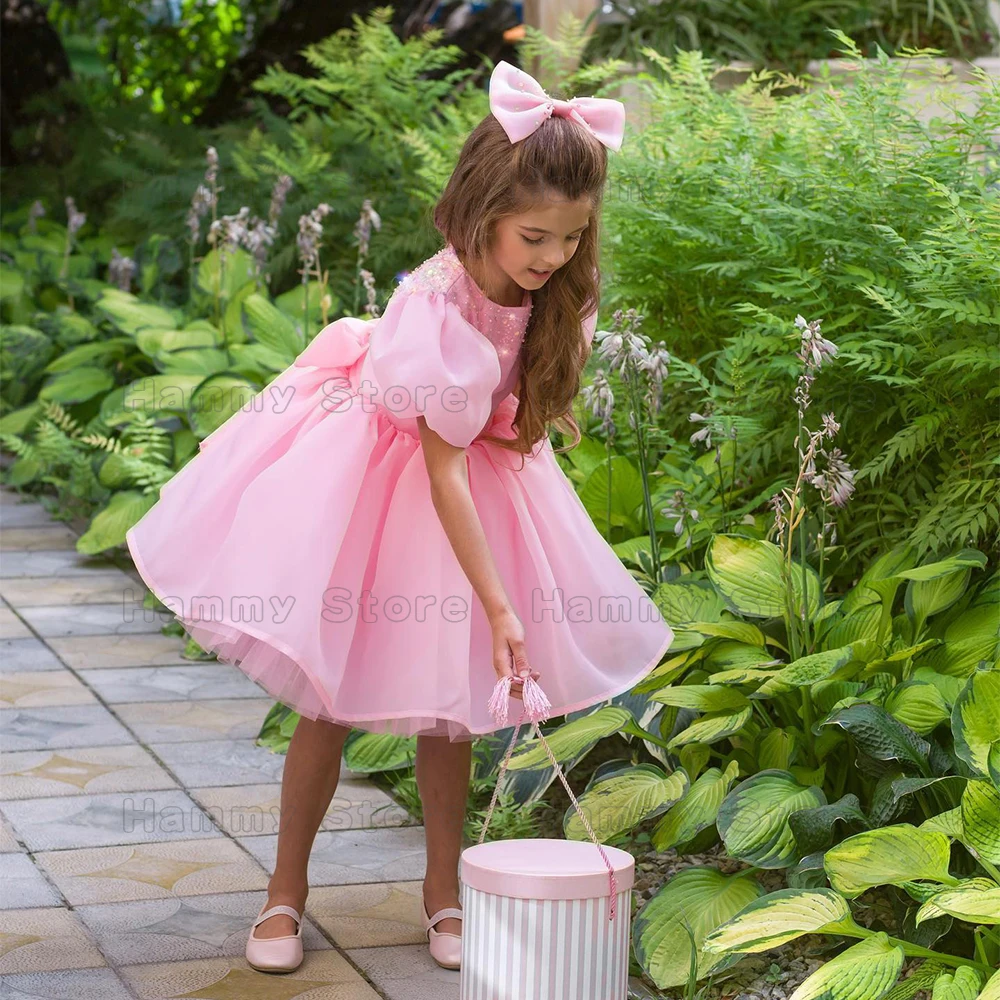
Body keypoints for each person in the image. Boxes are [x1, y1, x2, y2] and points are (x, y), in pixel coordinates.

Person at [125, 58, 675, 975]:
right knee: (327, 699)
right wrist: (503, 607)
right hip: (380, 486)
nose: (553, 259)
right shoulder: (434, 301)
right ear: (483, 212)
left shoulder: (548, 295)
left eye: (572, 240)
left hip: (476, 475)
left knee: (448, 714)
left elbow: (498, 429)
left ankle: (443, 895)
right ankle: (282, 898)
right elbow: (441, 471)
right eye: (535, 237)